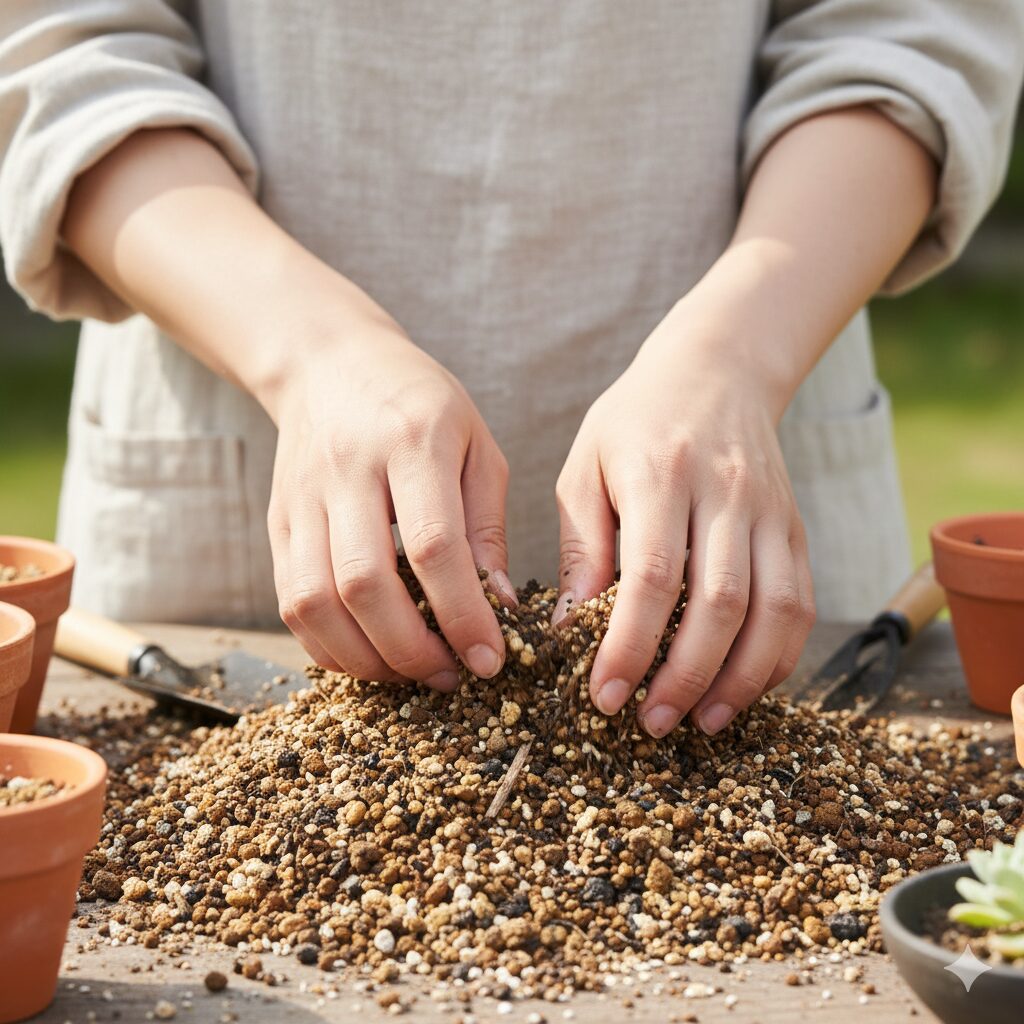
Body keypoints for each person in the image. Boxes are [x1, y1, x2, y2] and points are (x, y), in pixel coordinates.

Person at [1, 3, 1021, 739]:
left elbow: (902, 35)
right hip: (226, 482)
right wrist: (313, 354)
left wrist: (736, 356)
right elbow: (66, 51)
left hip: (746, 491)